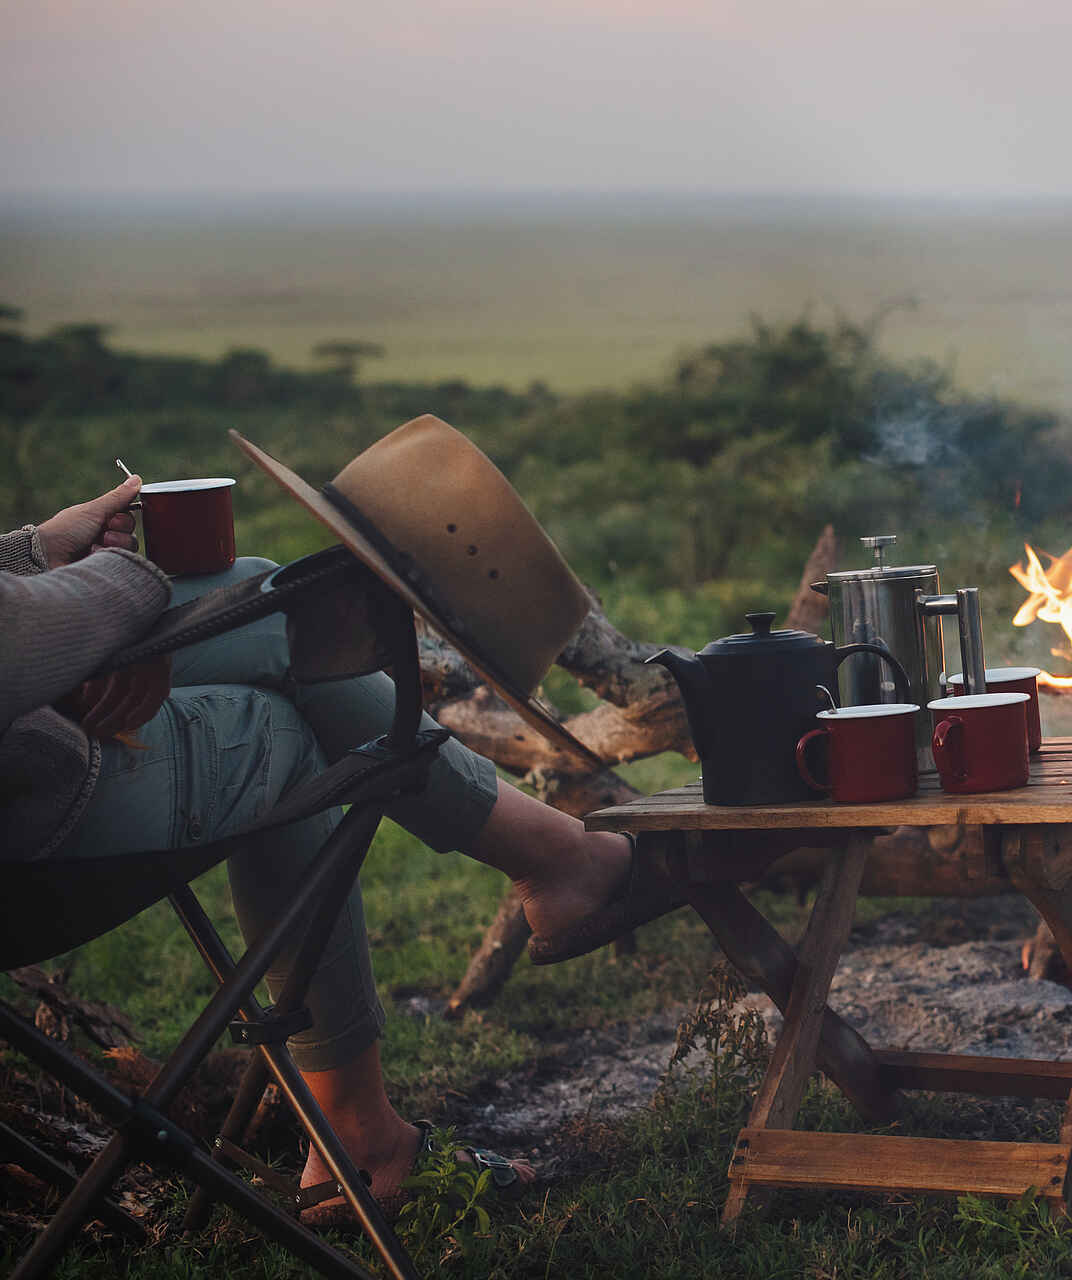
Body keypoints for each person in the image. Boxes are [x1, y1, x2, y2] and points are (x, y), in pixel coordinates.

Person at [1, 473, 657, 1225]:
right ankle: (359, 1135)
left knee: (256, 595)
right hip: (28, 823)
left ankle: (552, 861)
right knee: (281, 727)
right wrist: (122, 594)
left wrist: (32, 551)